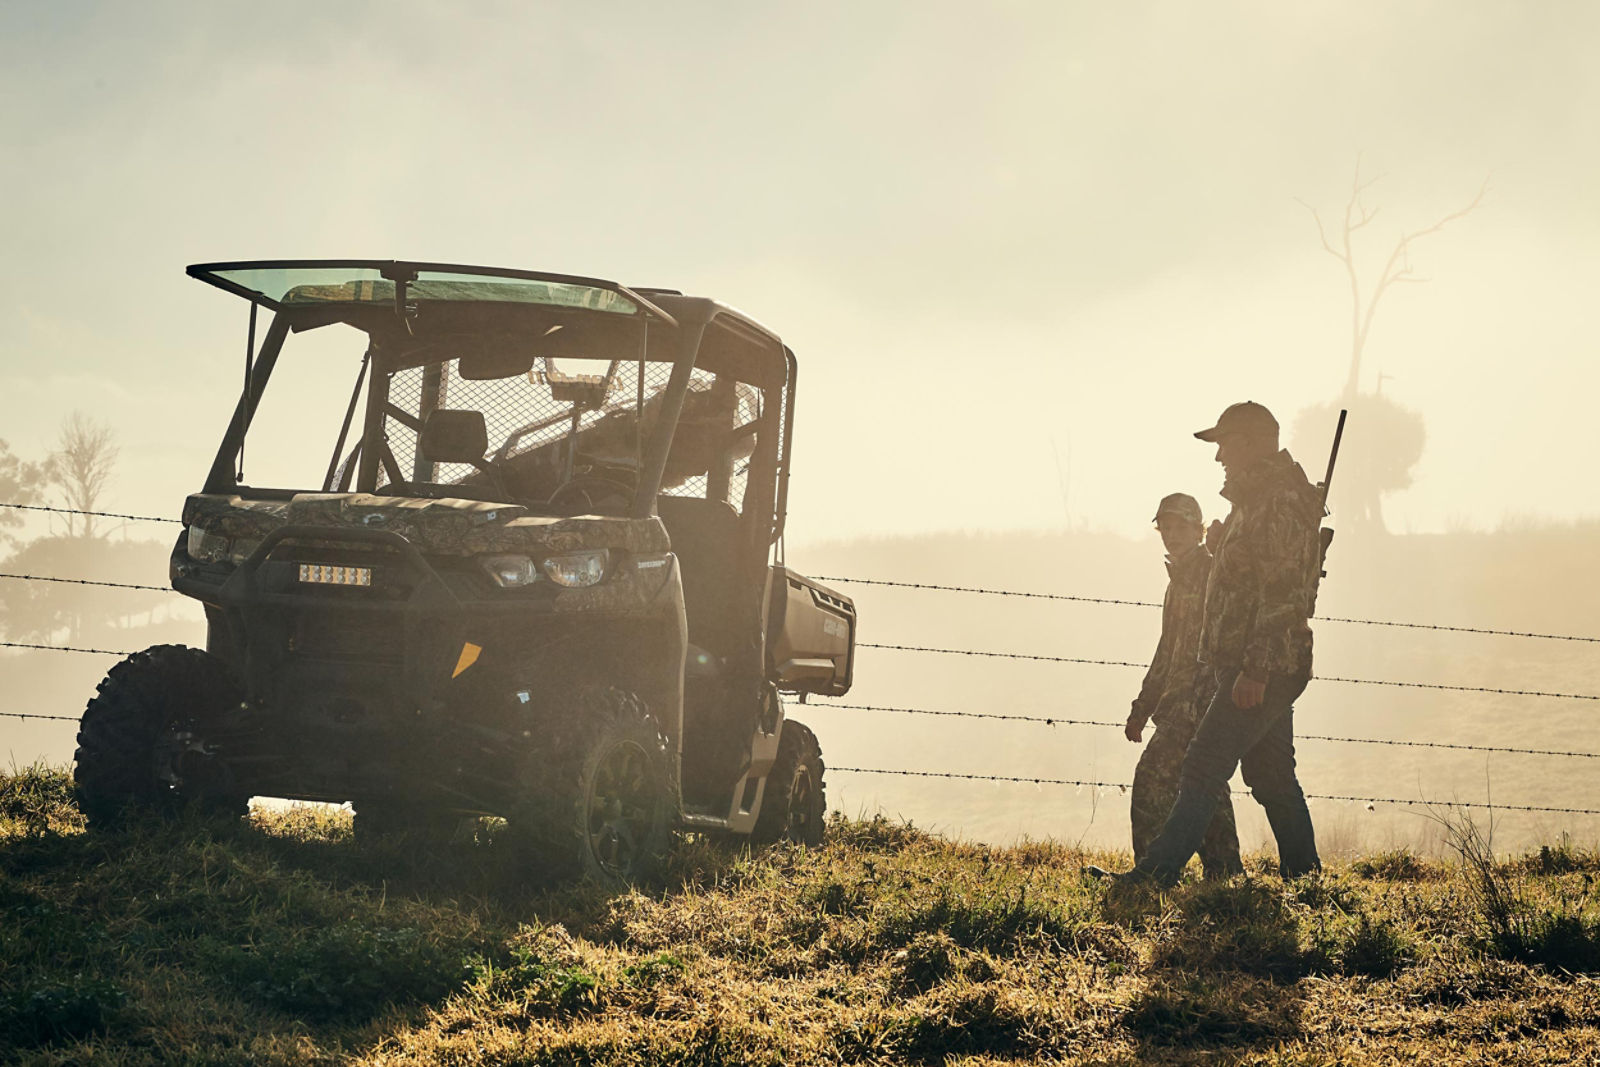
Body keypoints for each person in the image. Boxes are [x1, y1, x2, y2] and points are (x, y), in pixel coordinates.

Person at [1119, 401, 1325, 886]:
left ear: (1253, 442)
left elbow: (1282, 595)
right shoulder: (1258, 502)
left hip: (1260, 668)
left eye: (1225, 444)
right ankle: (1306, 878)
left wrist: (1254, 670)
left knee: (1203, 767)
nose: (1219, 458)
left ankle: (1156, 873)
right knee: (1272, 778)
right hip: (1261, 665)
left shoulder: (1277, 502)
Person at [1124, 492, 1243, 879]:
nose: (1171, 534)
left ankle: (1149, 875)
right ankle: (1224, 873)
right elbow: (1168, 650)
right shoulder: (1178, 581)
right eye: (1165, 527)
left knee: (1152, 784)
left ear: (1198, 529)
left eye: (1180, 527)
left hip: (1200, 706)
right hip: (1181, 707)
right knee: (1204, 786)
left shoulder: (1210, 572)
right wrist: (1143, 706)